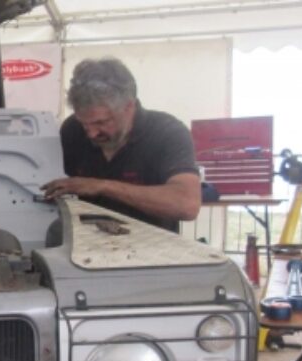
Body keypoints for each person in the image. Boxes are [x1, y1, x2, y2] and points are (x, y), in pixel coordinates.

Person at [41, 57, 200, 233]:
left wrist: (101, 186)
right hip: (85, 251)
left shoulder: (167, 133)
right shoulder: (72, 130)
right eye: (85, 123)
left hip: (151, 252)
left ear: (129, 106)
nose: (92, 133)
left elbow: (186, 204)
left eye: (102, 122)